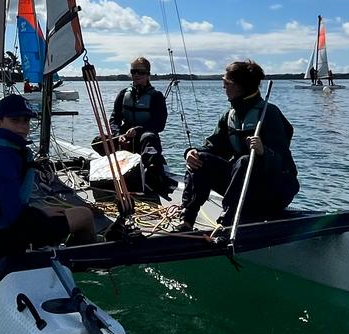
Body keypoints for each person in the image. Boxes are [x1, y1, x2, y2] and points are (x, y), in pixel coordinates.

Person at [0, 94, 96, 261]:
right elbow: (13, 217)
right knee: (84, 215)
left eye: (26, 121)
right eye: (15, 121)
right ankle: (84, 263)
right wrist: (40, 217)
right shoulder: (5, 155)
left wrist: (39, 213)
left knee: (52, 212)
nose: (22, 128)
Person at [176, 59, 298, 232]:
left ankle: (227, 222)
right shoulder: (229, 116)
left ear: (241, 86)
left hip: (272, 190)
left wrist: (264, 152)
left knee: (244, 161)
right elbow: (212, 147)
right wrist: (191, 153)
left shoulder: (269, 114)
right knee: (200, 159)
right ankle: (187, 218)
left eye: (226, 83)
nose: (223, 87)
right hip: (242, 185)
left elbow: (283, 164)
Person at [93, 57, 173, 196]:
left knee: (150, 138)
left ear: (148, 74)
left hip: (143, 137)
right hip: (125, 138)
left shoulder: (156, 97)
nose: (136, 75)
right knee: (97, 141)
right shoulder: (123, 94)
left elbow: (159, 125)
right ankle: (117, 166)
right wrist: (119, 134)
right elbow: (114, 119)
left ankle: (151, 176)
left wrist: (138, 129)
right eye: (133, 71)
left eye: (140, 72)